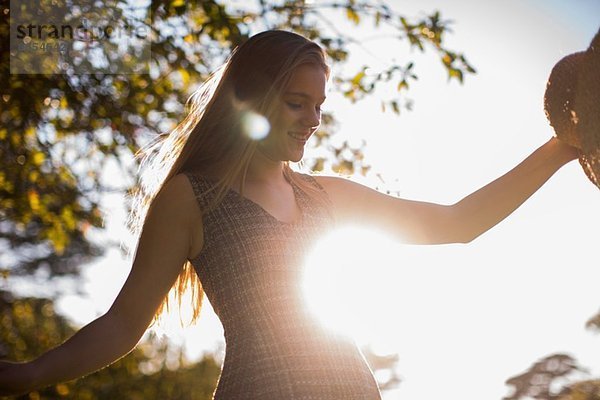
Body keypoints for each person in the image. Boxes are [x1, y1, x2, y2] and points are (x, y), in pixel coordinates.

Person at [0, 29, 580, 399]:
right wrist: (27, 374)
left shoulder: (326, 197)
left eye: (319, 106)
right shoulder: (191, 198)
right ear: (250, 100)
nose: (312, 119)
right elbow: (124, 326)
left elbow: (458, 223)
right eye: (296, 102)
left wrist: (563, 147)